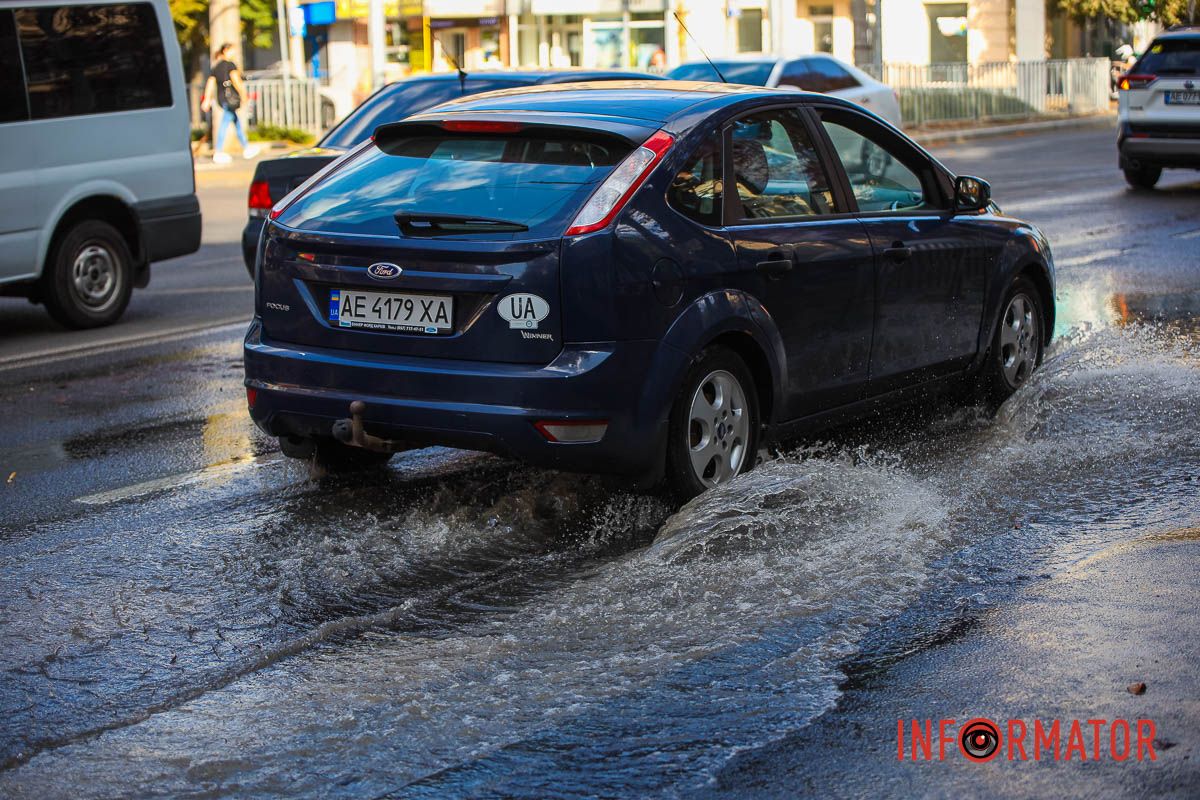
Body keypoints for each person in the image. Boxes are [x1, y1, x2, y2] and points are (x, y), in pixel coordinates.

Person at [201, 43, 259, 164]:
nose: (234, 53)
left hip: (222, 99)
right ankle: (219, 151)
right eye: (232, 51)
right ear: (226, 51)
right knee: (225, 123)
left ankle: (246, 146)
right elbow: (236, 80)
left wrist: (206, 99)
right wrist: (243, 94)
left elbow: (210, 84)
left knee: (235, 121)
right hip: (231, 98)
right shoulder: (230, 65)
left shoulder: (216, 67)